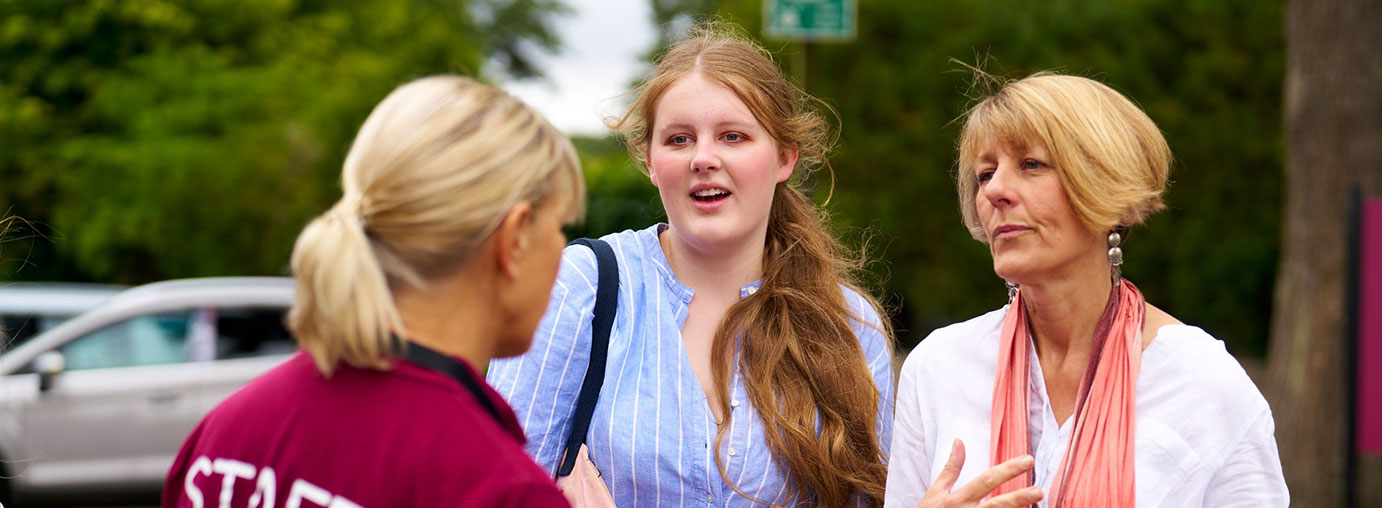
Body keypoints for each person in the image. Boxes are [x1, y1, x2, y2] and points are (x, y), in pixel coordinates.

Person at [487, 25, 896, 508]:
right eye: (679, 139)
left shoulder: (849, 325)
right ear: (651, 162)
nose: (704, 158)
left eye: (733, 136)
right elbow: (492, 486)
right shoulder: (582, 287)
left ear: (785, 158)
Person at [162, 75, 584, 508]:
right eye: (559, 226)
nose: (561, 247)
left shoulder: (226, 432)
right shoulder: (500, 488)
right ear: (513, 239)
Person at [885, 73, 1290, 508]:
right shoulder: (938, 370)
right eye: (985, 174)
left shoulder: (1202, 383)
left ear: (1104, 184)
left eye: (1031, 165)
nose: (996, 191)